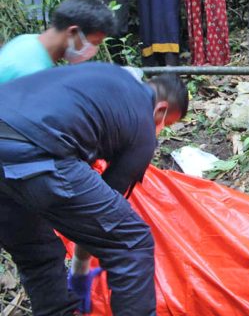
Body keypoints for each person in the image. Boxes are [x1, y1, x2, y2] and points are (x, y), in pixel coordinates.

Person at [0, 64, 188, 315]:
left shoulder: (106, 78)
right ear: (161, 109)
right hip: (35, 149)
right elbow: (104, 217)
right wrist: (80, 268)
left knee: (37, 253)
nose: (161, 129)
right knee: (132, 242)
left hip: (15, 134)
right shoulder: (143, 122)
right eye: (167, 123)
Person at [0, 0, 115, 83]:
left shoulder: (26, 40)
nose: (93, 51)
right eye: (94, 43)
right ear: (73, 32)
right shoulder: (35, 75)